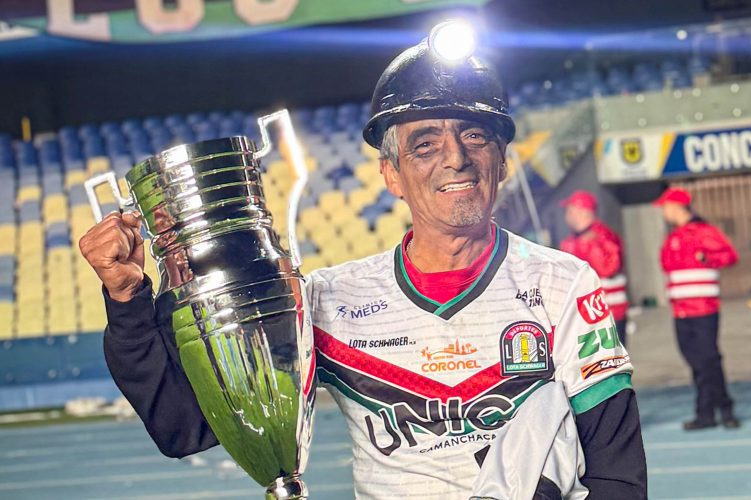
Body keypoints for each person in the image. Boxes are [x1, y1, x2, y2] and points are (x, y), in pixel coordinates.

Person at [80, 25, 647, 499]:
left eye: (475, 136)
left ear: (501, 161)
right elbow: (183, 427)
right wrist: (128, 300)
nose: (455, 158)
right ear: (392, 175)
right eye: (425, 144)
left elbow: (618, 474)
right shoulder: (328, 301)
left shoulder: (563, 283)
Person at [654, 187, 740, 431]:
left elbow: (729, 256)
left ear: (676, 207)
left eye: (665, 207)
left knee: (706, 361)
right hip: (681, 311)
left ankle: (716, 410)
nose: (663, 212)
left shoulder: (704, 232)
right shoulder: (674, 236)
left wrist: (707, 259)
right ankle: (714, 410)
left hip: (703, 309)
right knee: (700, 362)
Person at [559, 190, 629, 346]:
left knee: (611, 359)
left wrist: (590, 246)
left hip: (609, 313)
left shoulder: (604, 236)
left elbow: (608, 268)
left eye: (570, 210)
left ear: (583, 212)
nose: (566, 216)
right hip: (583, 315)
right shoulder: (570, 241)